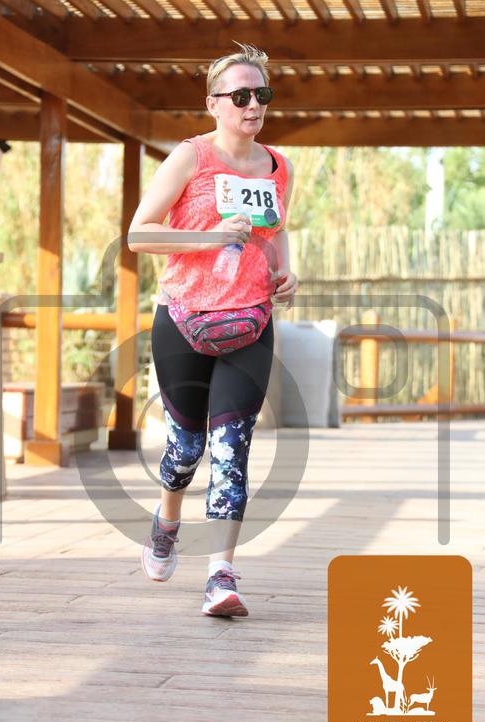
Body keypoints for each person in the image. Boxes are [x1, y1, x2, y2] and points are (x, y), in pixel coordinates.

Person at [128, 43, 297, 617]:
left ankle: (221, 576)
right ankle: (167, 521)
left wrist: (285, 270)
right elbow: (139, 234)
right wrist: (210, 238)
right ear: (213, 104)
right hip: (183, 319)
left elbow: (275, 228)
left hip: (250, 321)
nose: (253, 105)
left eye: (261, 94)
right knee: (186, 448)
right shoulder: (190, 157)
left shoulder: (278, 166)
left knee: (230, 449)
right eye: (240, 96)